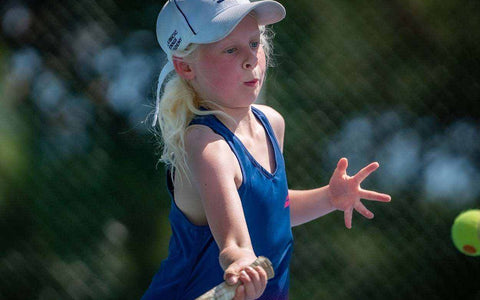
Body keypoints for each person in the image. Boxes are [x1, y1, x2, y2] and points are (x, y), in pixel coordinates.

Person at [142, 0, 392, 299]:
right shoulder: (208, 146)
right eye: (230, 49)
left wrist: (328, 197)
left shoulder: (271, 122)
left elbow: (270, 212)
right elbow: (234, 241)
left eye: (253, 43)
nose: (251, 59)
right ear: (185, 66)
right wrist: (240, 260)